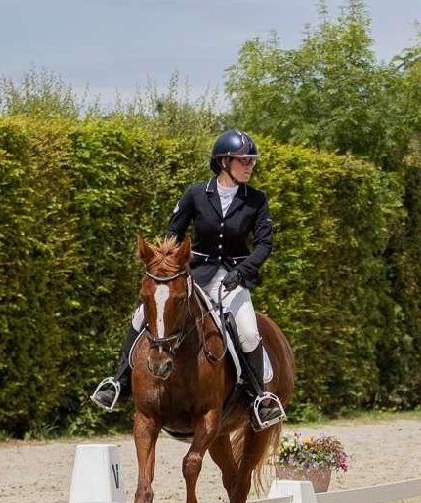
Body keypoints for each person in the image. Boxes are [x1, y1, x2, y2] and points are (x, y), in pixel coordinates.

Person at [92, 129, 285, 428]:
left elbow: (264, 244)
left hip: (235, 276)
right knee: (141, 315)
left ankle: (259, 399)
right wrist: (170, 265)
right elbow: (173, 232)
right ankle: (118, 383)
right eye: (243, 160)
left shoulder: (256, 200)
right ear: (224, 162)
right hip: (195, 273)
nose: (249, 166)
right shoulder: (196, 194)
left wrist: (242, 273)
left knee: (247, 331)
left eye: (251, 161)